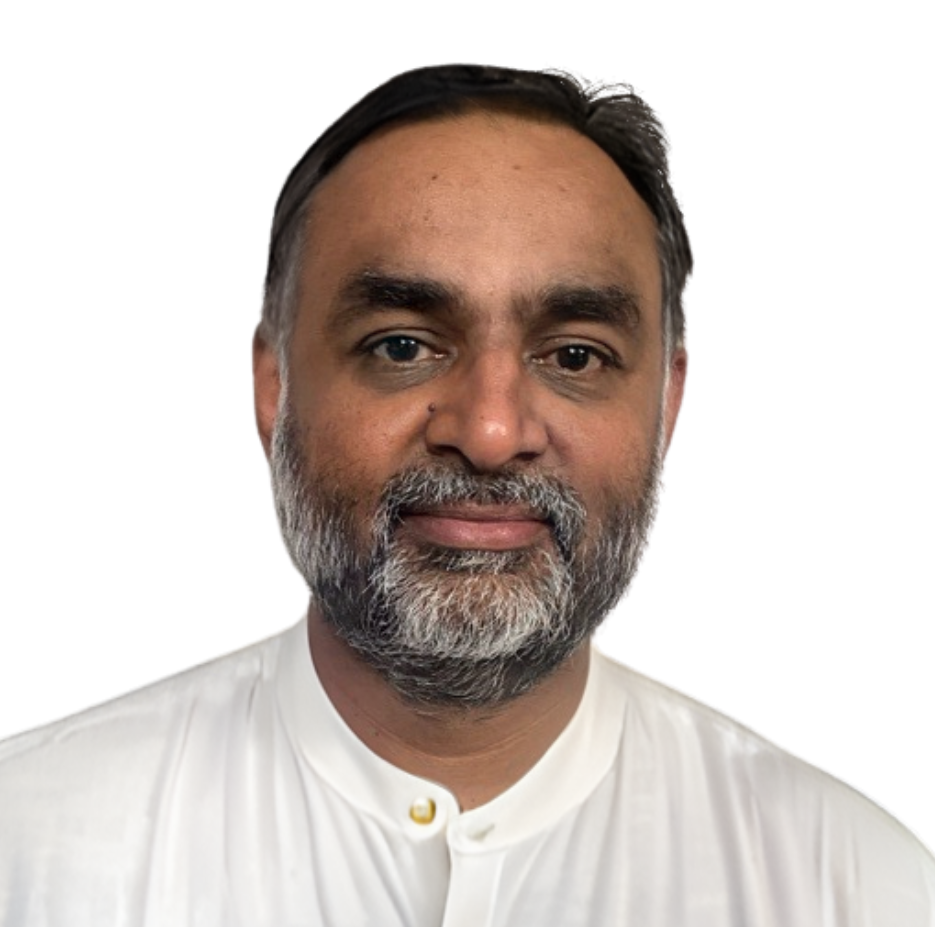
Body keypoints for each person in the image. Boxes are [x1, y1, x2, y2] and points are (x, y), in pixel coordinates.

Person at [0, 63, 932, 927]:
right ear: (275, 383)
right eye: (402, 345)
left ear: (665, 404)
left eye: (575, 356)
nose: (489, 432)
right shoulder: (29, 851)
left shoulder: (854, 888)